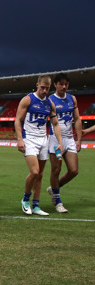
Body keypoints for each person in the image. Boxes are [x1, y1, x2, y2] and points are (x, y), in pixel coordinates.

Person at [14, 75, 64, 216]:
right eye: (42, 88)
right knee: (34, 172)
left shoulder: (49, 103)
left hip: (44, 140)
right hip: (29, 139)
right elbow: (18, 120)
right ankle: (25, 200)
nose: (44, 91)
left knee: (40, 175)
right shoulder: (28, 99)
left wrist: (59, 142)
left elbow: (55, 124)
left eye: (47, 88)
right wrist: (19, 139)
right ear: (37, 85)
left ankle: (36, 205)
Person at [46, 73, 82, 213]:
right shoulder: (50, 100)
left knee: (74, 171)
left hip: (69, 139)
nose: (64, 86)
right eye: (61, 84)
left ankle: (54, 188)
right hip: (55, 140)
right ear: (55, 84)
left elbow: (77, 119)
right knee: (56, 169)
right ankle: (57, 200)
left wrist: (78, 140)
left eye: (66, 84)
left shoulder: (72, 99)